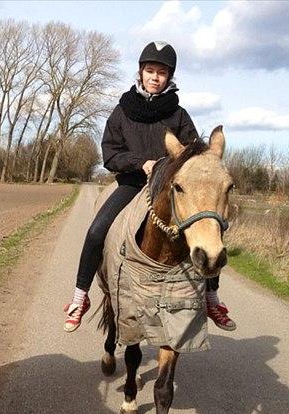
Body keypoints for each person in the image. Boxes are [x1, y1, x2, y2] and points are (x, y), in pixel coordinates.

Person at [63, 41, 236, 333]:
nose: (155, 77)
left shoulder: (179, 114)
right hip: (132, 184)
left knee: (210, 228)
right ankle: (81, 297)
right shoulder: (122, 111)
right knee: (96, 231)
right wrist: (140, 163)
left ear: (169, 77)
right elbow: (110, 154)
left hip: (169, 189)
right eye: (150, 71)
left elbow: (194, 153)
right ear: (140, 73)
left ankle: (211, 297)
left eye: (162, 73)